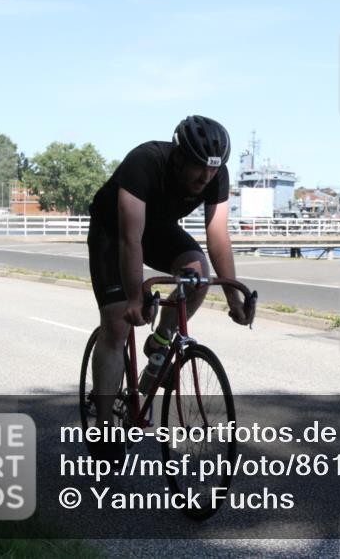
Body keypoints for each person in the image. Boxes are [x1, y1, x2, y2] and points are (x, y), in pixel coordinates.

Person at [86, 115, 247, 461]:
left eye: (213, 169)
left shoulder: (216, 175)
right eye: (199, 167)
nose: (206, 177)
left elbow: (218, 236)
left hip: (157, 228)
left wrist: (234, 298)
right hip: (112, 232)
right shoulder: (144, 162)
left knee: (198, 275)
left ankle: (160, 342)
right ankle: (103, 425)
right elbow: (130, 239)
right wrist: (134, 297)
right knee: (117, 324)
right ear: (179, 157)